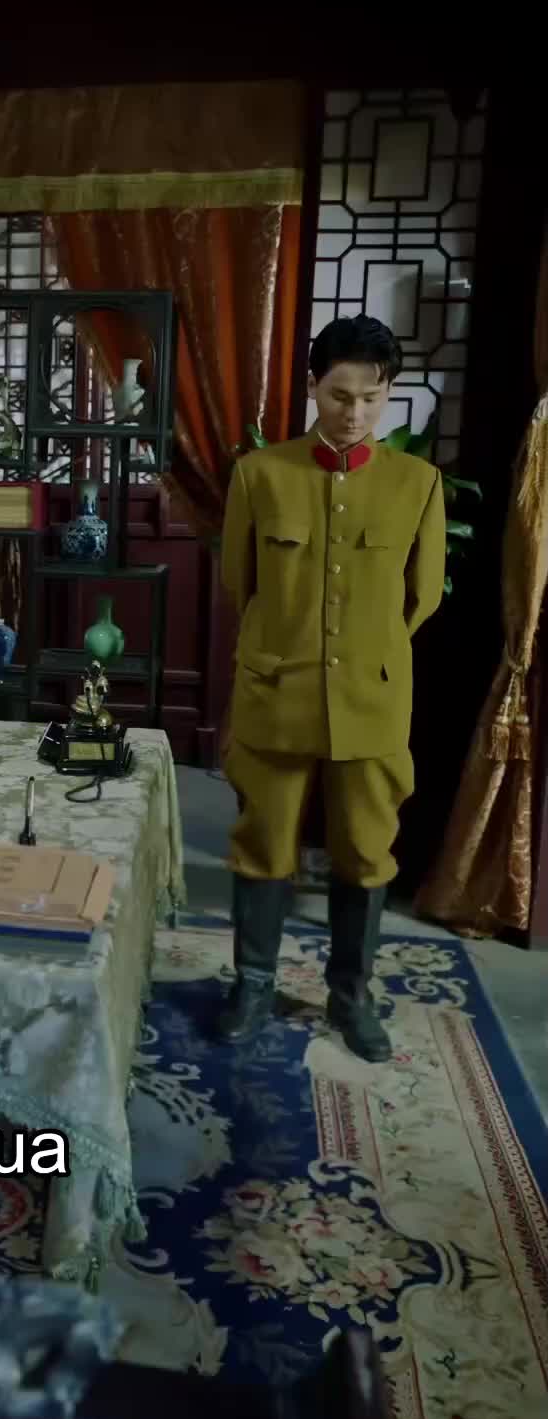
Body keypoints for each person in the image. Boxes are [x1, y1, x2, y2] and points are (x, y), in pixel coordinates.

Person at [216, 313, 447, 1062]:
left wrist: (366, 657)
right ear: (313, 387)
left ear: (389, 395)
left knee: (366, 853)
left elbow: (421, 598)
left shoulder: (417, 483)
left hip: (372, 701)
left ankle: (351, 997)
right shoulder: (260, 474)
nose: (355, 412)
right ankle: (253, 986)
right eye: (340, 395)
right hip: (277, 692)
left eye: (372, 398)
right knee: (263, 846)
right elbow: (239, 582)